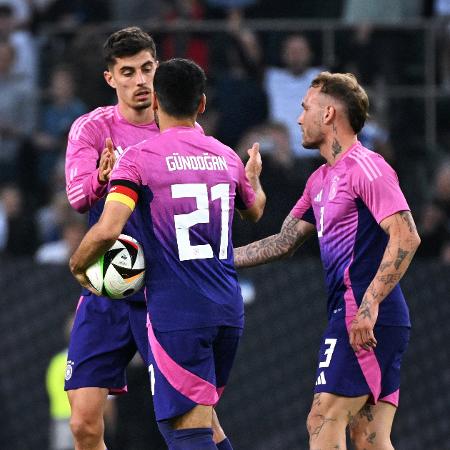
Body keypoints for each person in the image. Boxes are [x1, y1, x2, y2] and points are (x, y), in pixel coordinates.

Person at [69, 58, 266, 450]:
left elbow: (108, 230)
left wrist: (78, 265)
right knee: (203, 423)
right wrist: (255, 180)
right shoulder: (225, 157)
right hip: (228, 310)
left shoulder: (140, 159)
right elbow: (255, 209)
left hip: (177, 314)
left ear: (155, 102)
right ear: (203, 104)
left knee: (184, 431)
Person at [234, 71, 421, 449]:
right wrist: (214, 260)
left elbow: (406, 235)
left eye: (306, 108)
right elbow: (283, 242)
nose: (299, 118)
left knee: (323, 418)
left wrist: (368, 306)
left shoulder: (368, 166)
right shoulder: (320, 179)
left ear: (330, 113)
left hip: (366, 315)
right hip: (363, 315)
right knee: (369, 439)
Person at [64, 27, 162, 450]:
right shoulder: (92, 129)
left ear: (157, 68)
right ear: (111, 78)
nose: (139, 80)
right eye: (128, 72)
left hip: (163, 290)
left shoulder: (177, 127)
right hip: (109, 284)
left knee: (192, 422)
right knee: (84, 425)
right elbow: (76, 196)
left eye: (146, 69)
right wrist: (101, 179)